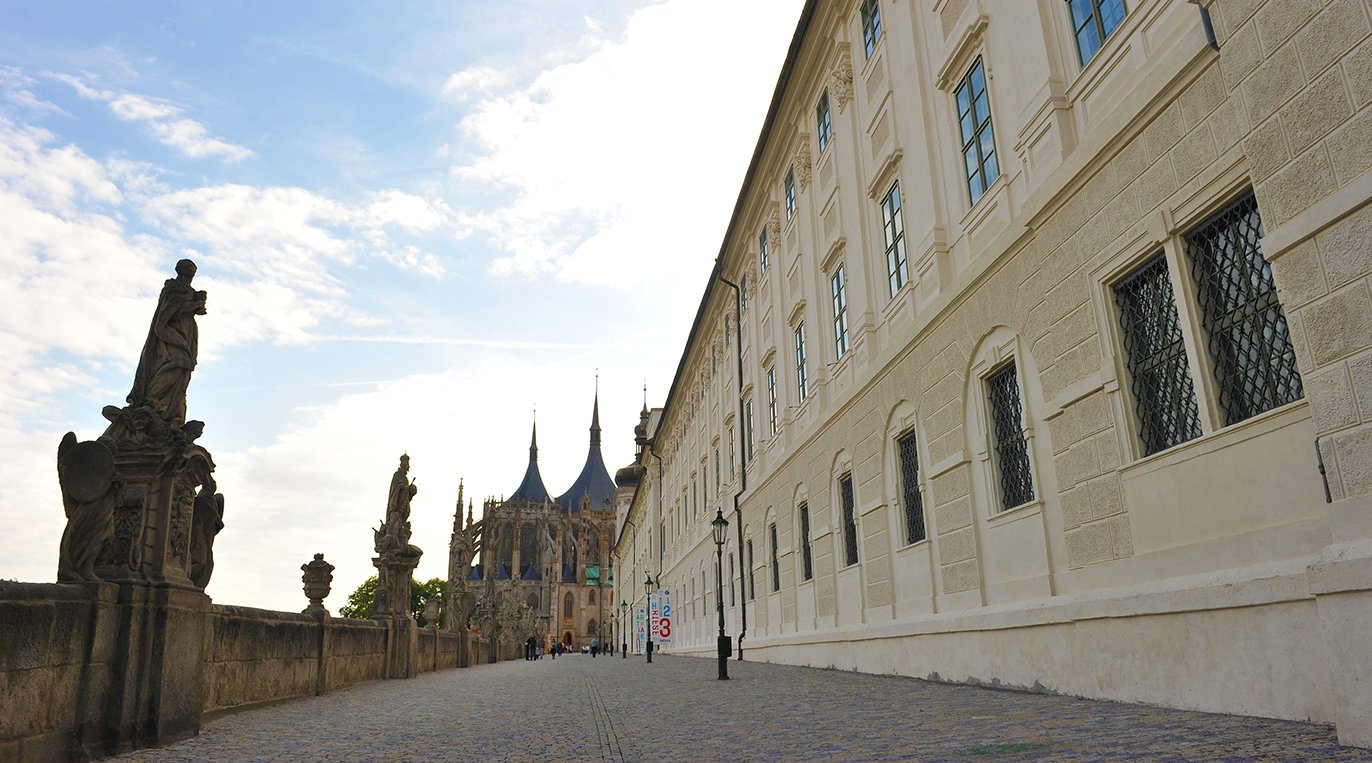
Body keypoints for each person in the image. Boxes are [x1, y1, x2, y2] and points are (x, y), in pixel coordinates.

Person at [127, 259, 207, 426]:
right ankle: (152, 400)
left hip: (186, 333)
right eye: (189, 267)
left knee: (184, 371)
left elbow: (192, 310)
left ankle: (172, 412)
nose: (193, 270)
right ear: (183, 270)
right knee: (178, 363)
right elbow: (167, 315)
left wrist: (197, 303)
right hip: (171, 334)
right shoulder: (174, 289)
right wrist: (193, 305)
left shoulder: (188, 291)